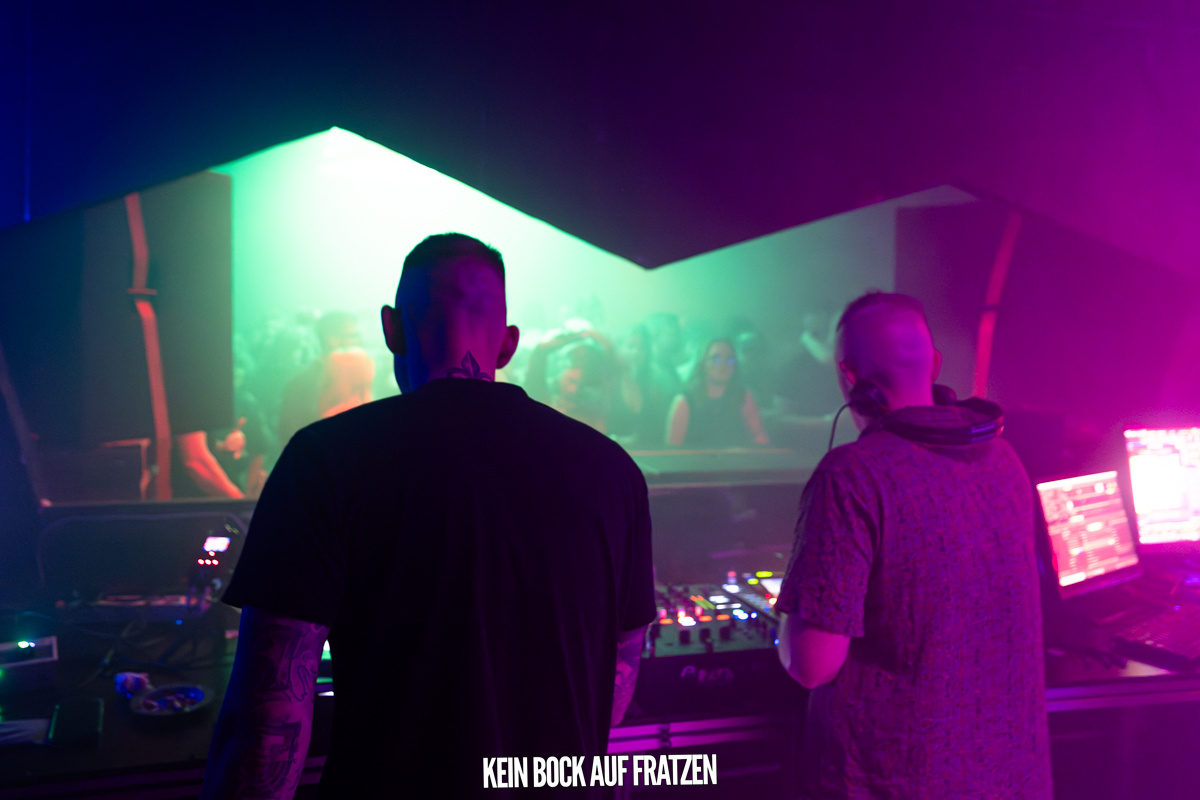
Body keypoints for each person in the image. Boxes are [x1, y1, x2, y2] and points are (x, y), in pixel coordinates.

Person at [202, 233, 654, 799]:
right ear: (508, 345)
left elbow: (266, 730)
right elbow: (614, 693)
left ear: (391, 329)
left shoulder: (326, 461)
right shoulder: (613, 471)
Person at [774, 291, 1051, 798]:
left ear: (849, 378)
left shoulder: (852, 475)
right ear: (935, 364)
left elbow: (812, 665)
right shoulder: (1006, 459)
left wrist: (792, 603)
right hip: (1012, 779)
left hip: (897, 783)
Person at [277, 311, 375, 447]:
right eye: (353, 335)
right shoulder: (303, 382)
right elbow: (291, 436)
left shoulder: (364, 374)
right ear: (331, 339)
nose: (360, 341)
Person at [665, 339, 770, 448]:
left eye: (729, 360)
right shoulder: (684, 401)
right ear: (703, 363)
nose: (723, 365)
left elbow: (759, 435)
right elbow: (673, 450)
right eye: (716, 359)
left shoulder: (743, 397)